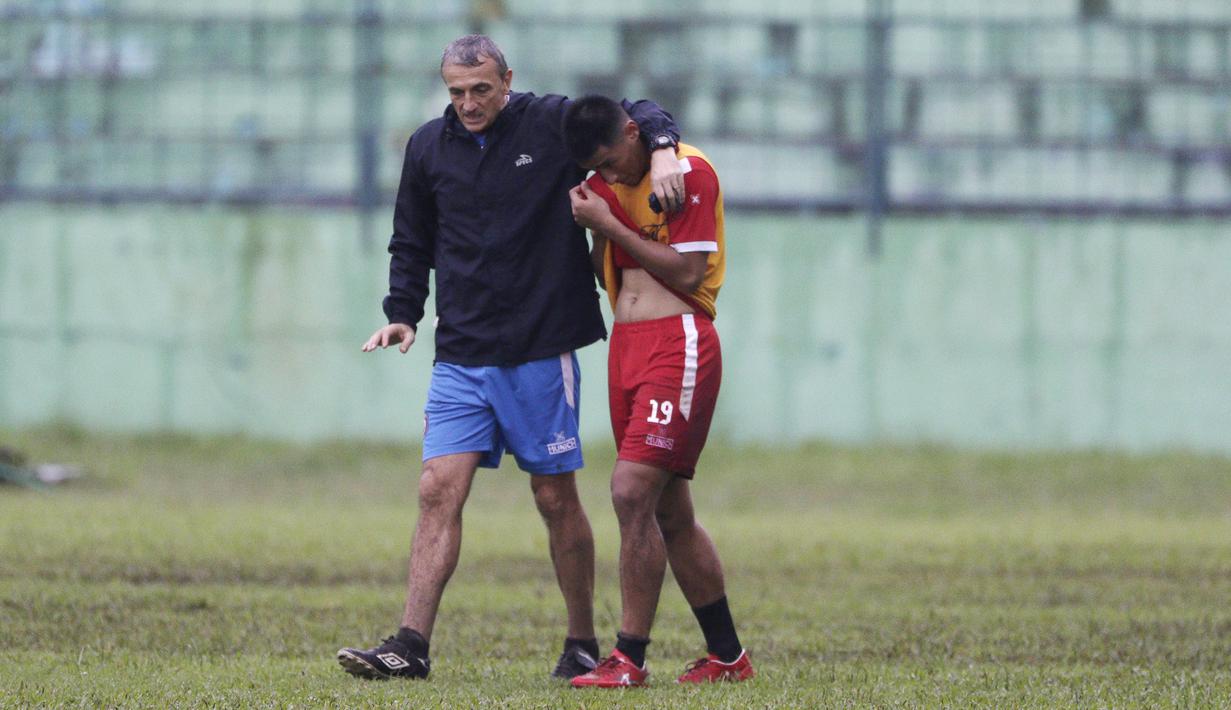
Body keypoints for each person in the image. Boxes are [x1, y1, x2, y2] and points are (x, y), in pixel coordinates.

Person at [335, 36, 687, 682]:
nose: (468, 104)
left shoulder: (550, 123)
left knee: (553, 497)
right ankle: (410, 645)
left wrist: (663, 150)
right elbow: (410, 240)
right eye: (456, 92)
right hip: (461, 353)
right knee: (436, 489)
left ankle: (580, 640)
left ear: (507, 81)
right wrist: (401, 313)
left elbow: (634, 110)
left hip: (539, 347)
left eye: (481, 91)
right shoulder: (426, 147)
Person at [560, 95, 754, 687]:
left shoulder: (686, 172)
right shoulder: (607, 181)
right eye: (601, 167)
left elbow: (688, 273)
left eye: (614, 160)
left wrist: (610, 224)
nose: (613, 173)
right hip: (628, 346)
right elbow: (607, 270)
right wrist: (599, 234)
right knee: (669, 511)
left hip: (680, 341)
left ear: (633, 132)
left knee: (628, 490)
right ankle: (728, 658)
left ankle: (629, 658)